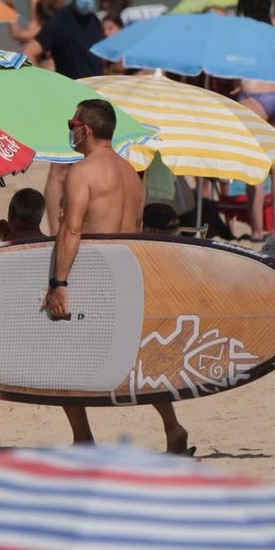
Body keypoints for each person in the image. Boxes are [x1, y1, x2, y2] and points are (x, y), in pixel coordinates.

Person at [42, 99, 191, 455]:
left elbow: (72, 231)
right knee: (135, 361)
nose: (70, 132)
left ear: (85, 129)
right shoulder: (130, 173)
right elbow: (137, 232)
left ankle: (82, 440)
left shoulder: (83, 172)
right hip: (128, 274)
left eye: (71, 124)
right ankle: (173, 428)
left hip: (95, 276)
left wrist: (58, 284)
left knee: (60, 360)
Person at [23, 0, 104, 235]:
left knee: (91, 169)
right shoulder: (59, 21)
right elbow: (29, 52)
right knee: (60, 171)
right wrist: (43, 86)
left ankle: (78, 224)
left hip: (97, 106)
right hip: (69, 106)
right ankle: (56, 232)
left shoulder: (95, 22)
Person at [235, 0, 275, 240]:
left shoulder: (239, 31)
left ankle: (257, 231)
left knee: (255, 168)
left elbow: (233, 66)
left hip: (253, 97)